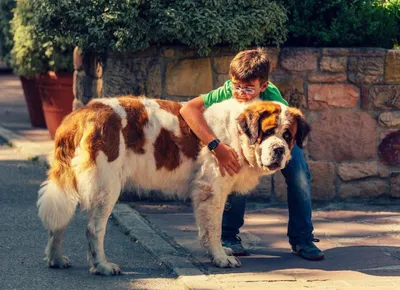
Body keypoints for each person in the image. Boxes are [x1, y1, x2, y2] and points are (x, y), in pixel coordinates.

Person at [179, 47, 324, 261]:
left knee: (299, 174)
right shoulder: (228, 89)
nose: (240, 93)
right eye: (237, 86)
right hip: (246, 142)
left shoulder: (273, 97)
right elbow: (188, 109)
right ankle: (228, 236)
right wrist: (216, 145)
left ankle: (303, 238)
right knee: (235, 167)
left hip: (279, 140)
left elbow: (286, 129)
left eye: (248, 89)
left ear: (263, 86)